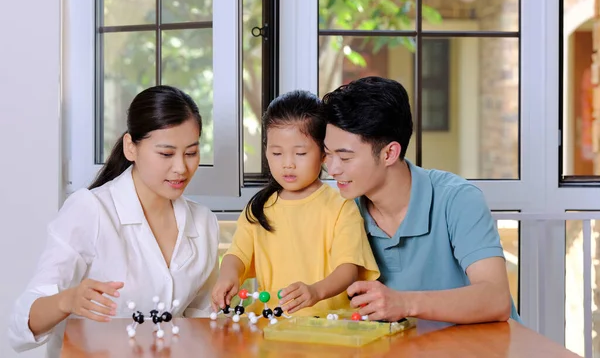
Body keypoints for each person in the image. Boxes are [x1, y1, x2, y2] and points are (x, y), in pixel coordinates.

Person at [9, 86, 219, 356]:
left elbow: (200, 319)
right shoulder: (90, 210)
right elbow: (19, 328)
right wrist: (67, 300)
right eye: (166, 154)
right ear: (131, 147)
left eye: (191, 153)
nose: (181, 167)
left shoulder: (203, 222)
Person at [321, 76, 519, 324]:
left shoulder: (457, 199)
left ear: (389, 153)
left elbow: (495, 298)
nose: (333, 169)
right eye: (328, 155)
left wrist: (403, 303)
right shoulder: (344, 211)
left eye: (345, 158)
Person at [211, 90, 379, 317]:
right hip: (272, 328)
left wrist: (315, 292)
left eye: (300, 153)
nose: (287, 164)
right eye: (277, 153)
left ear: (323, 155)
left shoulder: (340, 207)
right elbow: (237, 254)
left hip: (329, 329)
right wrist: (228, 276)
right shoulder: (259, 208)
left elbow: (348, 269)